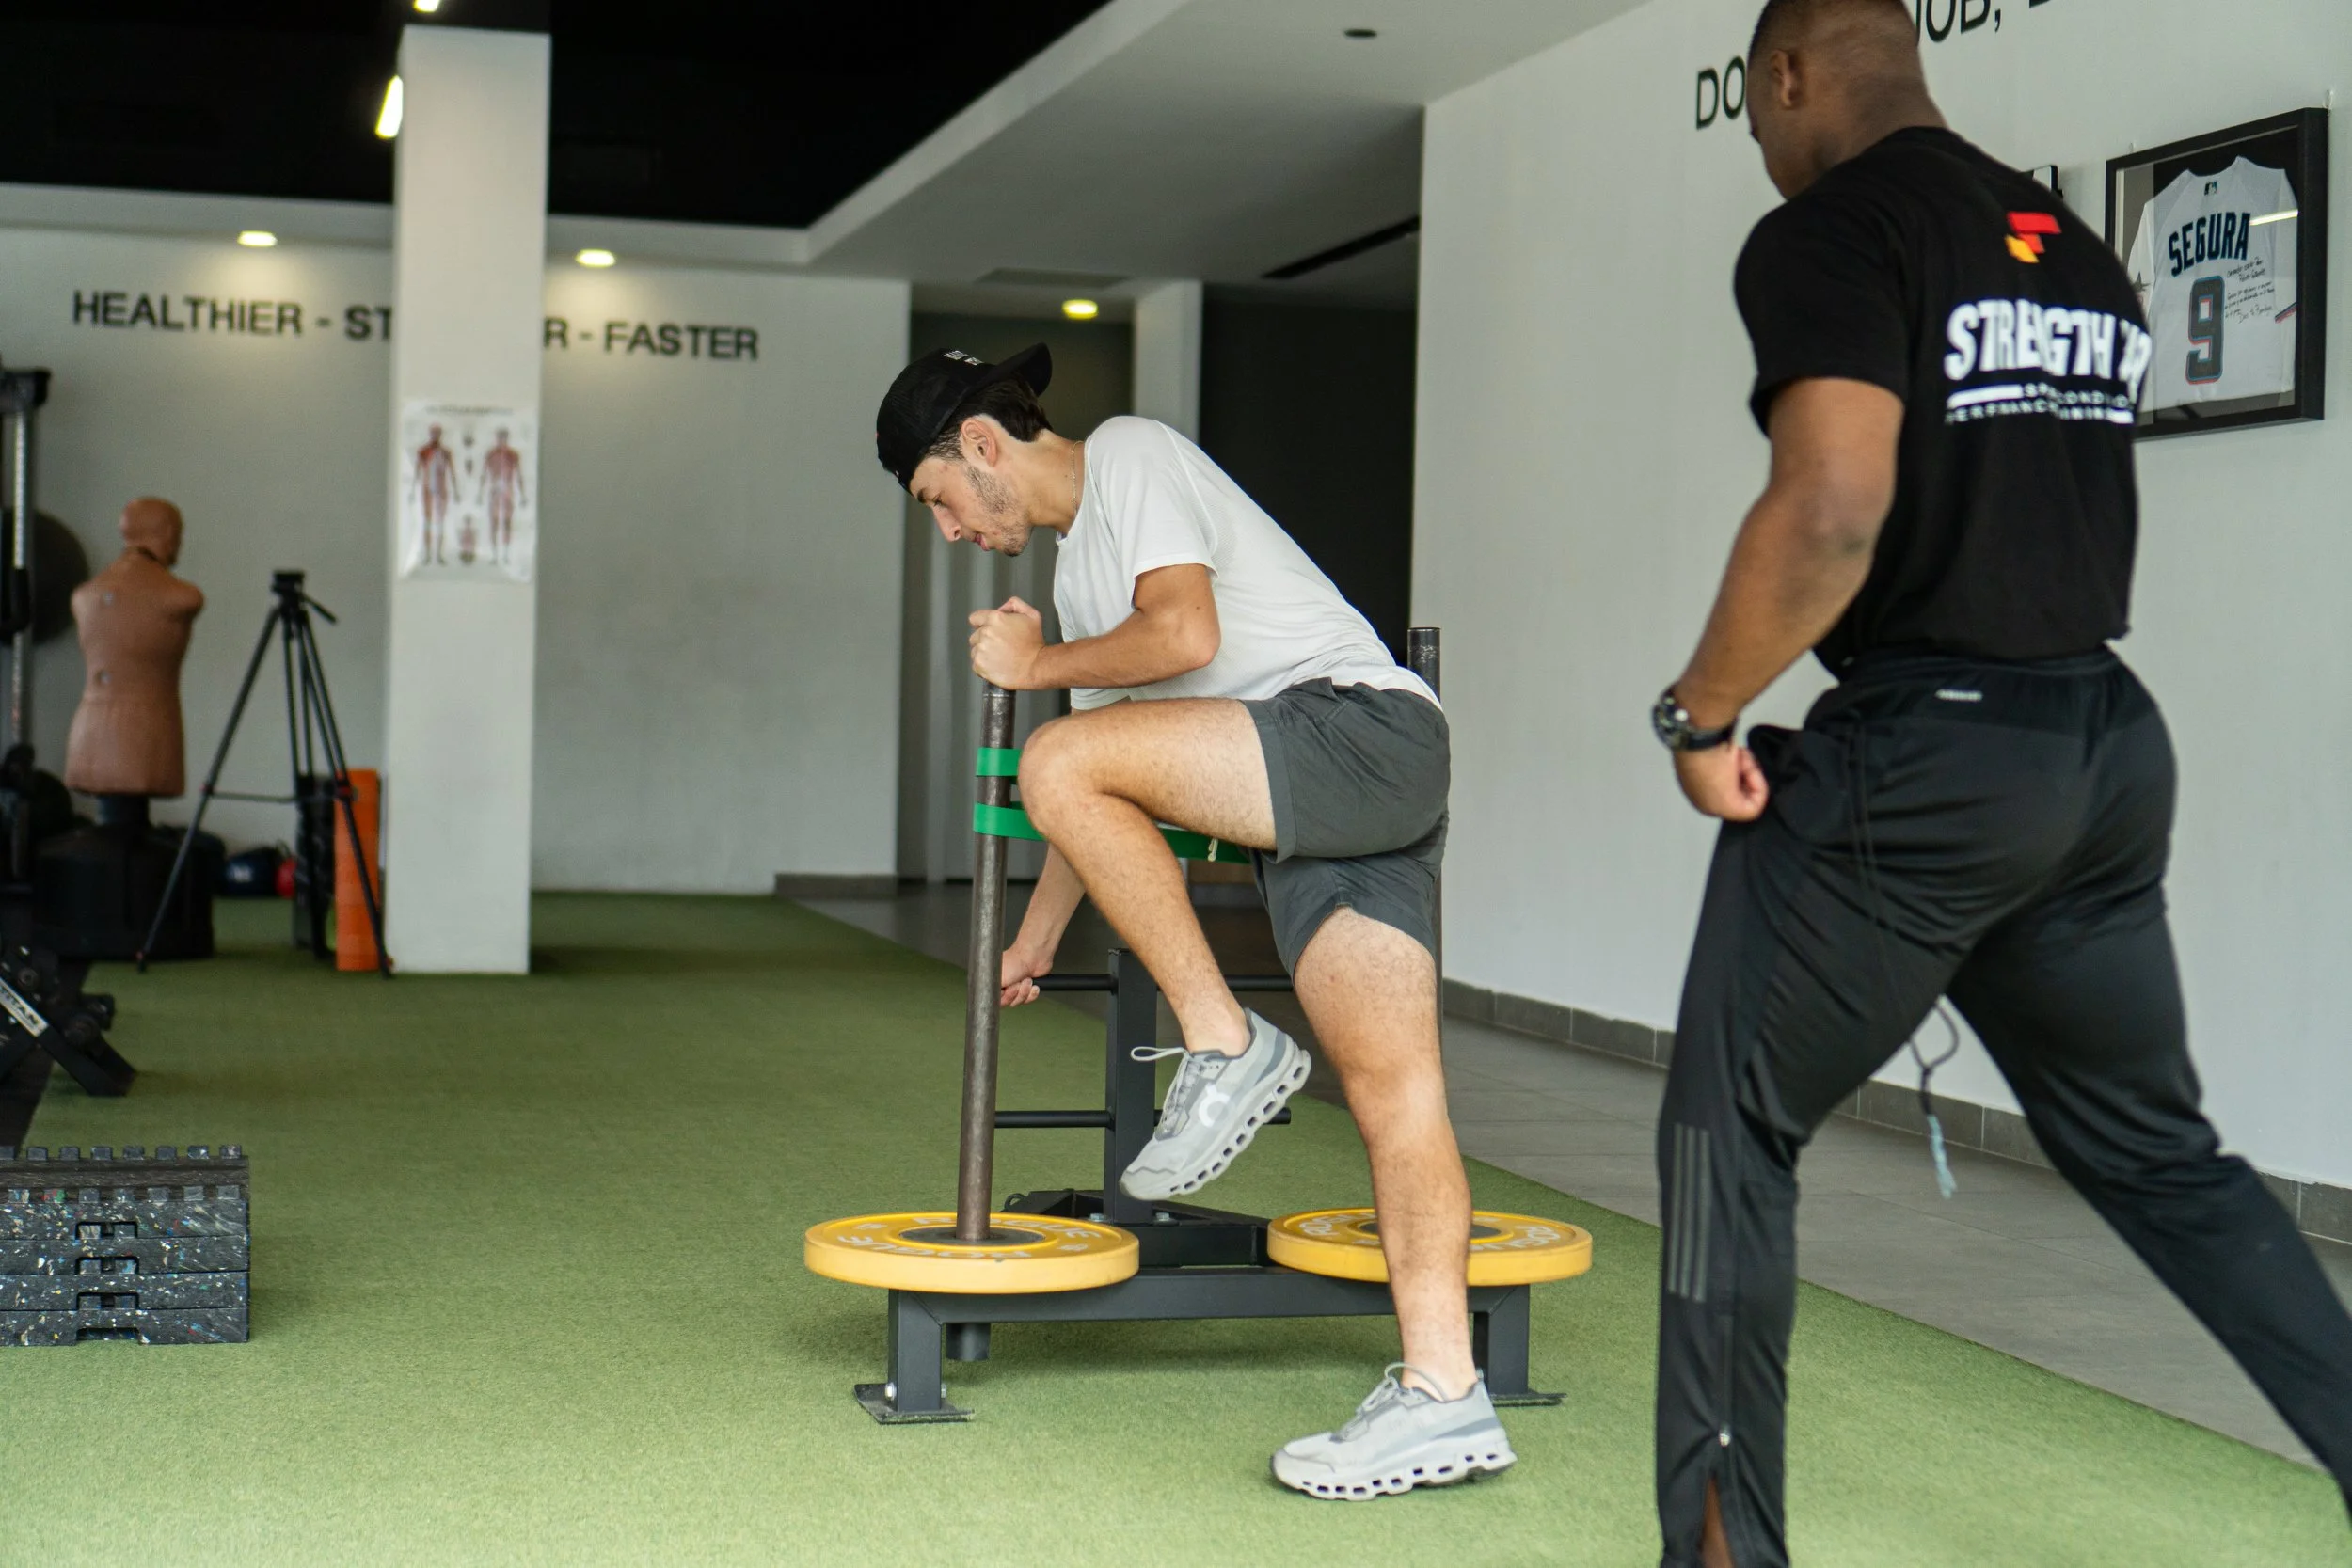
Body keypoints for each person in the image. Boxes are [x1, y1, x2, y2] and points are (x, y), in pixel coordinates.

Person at [1648, 3, 2352, 1564]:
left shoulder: (1833, 229)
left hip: (1932, 753)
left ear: (1786, 72)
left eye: (1763, 117)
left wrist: (1701, 713)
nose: (1766, 150)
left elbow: (1833, 505)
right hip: (2100, 747)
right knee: (2169, 1162)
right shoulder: (2067, 241)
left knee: (1724, 1138)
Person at [876, 344, 1512, 1497]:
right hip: (1320, 813)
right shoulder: (1079, 591)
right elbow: (1092, 791)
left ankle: (1224, 1040)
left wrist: (1033, 667)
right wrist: (1033, 938)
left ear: (978, 444)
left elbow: (1184, 639)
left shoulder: (1132, 453)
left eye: (937, 502)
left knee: (1054, 748)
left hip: (1357, 731)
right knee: (1393, 1087)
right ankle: (1441, 1389)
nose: (950, 530)